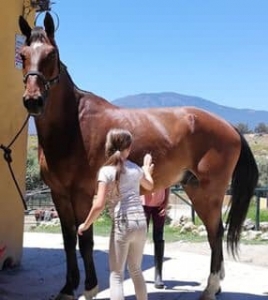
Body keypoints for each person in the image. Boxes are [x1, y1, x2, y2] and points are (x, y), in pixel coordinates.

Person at [78, 128, 154, 300]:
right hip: (141, 223)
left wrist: (86, 224)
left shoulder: (106, 171)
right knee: (136, 270)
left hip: (122, 223)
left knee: (117, 274)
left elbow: (98, 205)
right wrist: (147, 169)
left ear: (108, 147)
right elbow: (149, 186)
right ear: (128, 148)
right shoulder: (135, 169)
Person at [141, 187, 170, 289]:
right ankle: (135, 268)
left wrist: (166, 201)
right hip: (143, 204)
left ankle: (158, 275)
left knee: (158, 237)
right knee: (140, 238)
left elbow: (168, 183)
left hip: (159, 205)